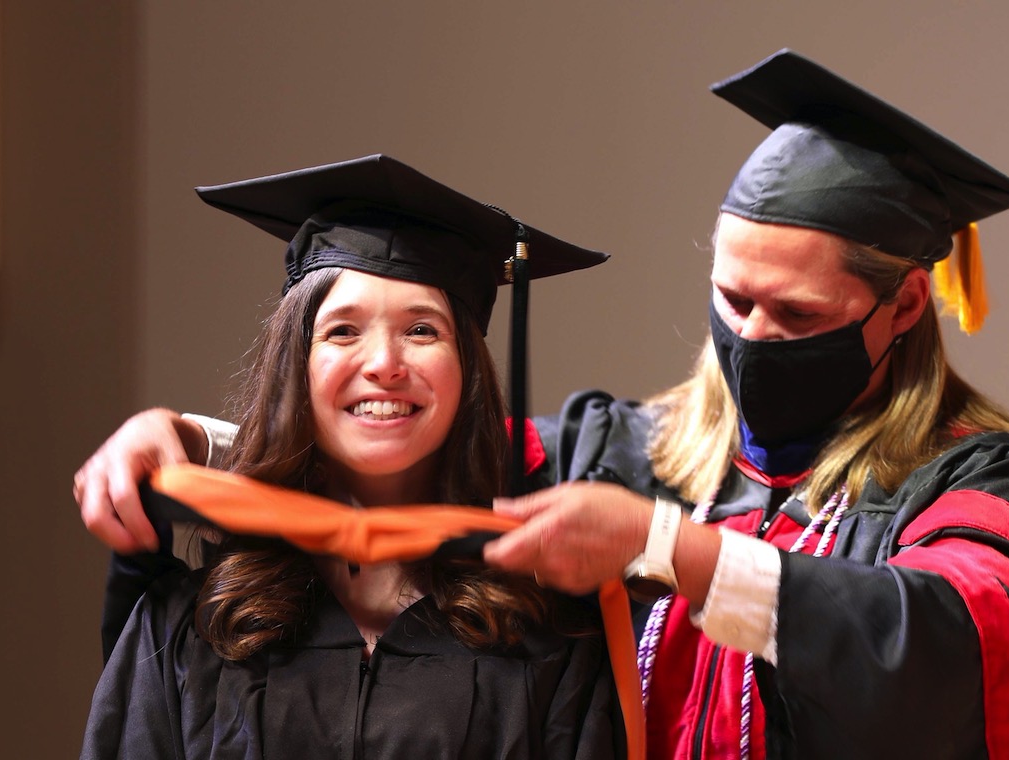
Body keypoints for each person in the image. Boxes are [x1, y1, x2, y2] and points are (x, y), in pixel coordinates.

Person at [75, 52, 1009, 758]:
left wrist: (672, 548)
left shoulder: (978, 482)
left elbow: (961, 645)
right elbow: (404, 450)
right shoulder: (628, 452)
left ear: (904, 305)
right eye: (730, 298)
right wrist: (186, 439)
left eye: (796, 313)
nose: (750, 334)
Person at [79, 154, 628, 759]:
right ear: (297, 366)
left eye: (422, 330)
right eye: (342, 331)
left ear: (467, 371)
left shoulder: (549, 640)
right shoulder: (191, 624)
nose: (384, 364)